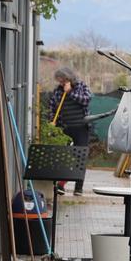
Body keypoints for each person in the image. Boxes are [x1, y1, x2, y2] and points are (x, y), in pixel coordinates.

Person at [46, 66, 92, 194]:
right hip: (64, 128)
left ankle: (78, 187)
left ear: (69, 78)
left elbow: (86, 100)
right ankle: (61, 184)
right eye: (59, 81)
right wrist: (51, 121)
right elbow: (52, 107)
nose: (60, 83)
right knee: (64, 156)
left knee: (80, 157)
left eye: (62, 80)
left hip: (81, 128)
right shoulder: (57, 91)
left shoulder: (81, 87)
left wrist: (70, 92)